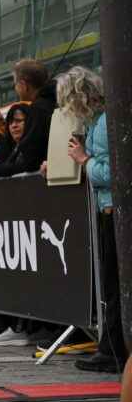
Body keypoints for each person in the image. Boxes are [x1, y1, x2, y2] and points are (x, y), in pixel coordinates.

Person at [57, 67, 127, 374]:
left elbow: (112, 173)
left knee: (114, 285)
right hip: (109, 209)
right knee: (112, 285)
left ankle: (113, 351)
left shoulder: (104, 125)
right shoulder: (100, 123)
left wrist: (83, 160)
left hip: (112, 210)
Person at [11, 59, 57, 172]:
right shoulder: (57, 99)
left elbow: (30, 159)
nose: (15, 89)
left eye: (15, 85)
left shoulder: (37, 108)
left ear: (24, 85)